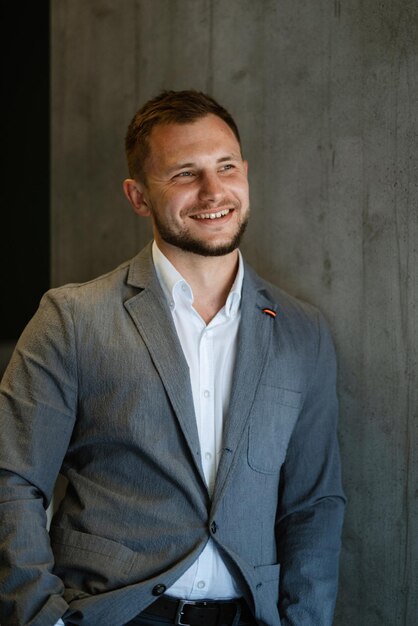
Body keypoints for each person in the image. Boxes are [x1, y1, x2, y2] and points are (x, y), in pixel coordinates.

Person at [0, 90, 346, 626]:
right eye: (185, 174)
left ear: (245, 173)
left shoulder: (303, 332)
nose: (214, 192)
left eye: (225, 166)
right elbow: (12, 479)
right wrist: (41, 619)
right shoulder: (72, 318)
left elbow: (314, 504)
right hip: (115, 613)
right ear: (138, 196)